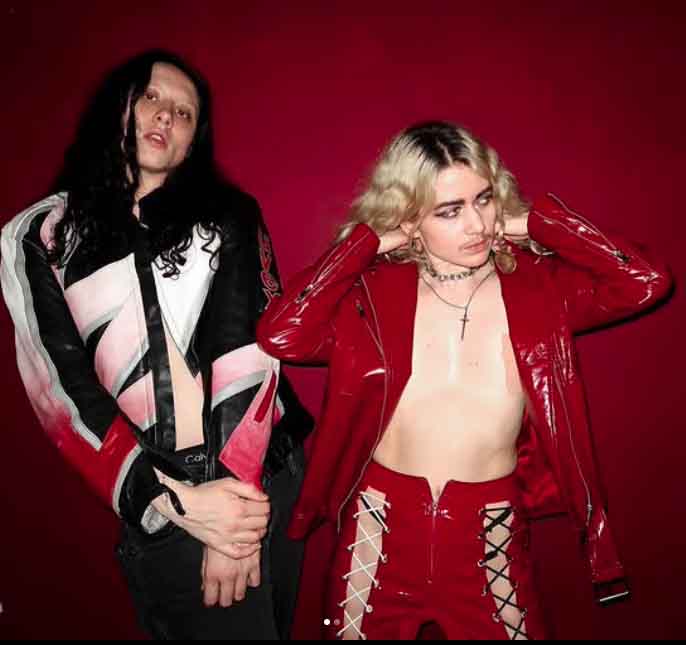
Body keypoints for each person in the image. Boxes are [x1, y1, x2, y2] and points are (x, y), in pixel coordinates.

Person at [256, 121, 672, 640]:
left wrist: (541, 224)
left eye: (484, 199)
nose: (476, 223)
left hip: (488, 534)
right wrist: (362, 245)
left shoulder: (539, 291)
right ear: (410, 216)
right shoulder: (371, 295)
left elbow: (646, 281)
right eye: (450, 211)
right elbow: (280, 335)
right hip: (378, 531)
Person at [0, 49, 312, 640]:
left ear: (192, 143)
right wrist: (177, 503)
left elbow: (250, 347)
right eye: (151, 97)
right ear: (117, 107)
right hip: (162, 489)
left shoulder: (229, 214)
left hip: (268, 475)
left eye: (184, 113)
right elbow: (62, 391)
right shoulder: (41, 234)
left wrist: (236, 516)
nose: (166, 115)